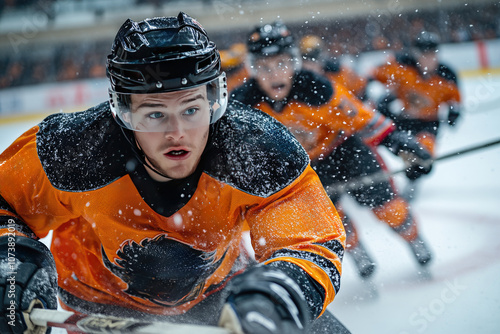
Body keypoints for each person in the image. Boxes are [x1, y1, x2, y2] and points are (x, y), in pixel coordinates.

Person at [0, 13, 349, 334]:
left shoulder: (256, 148)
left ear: (215, 101)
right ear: (122, 112)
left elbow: (309, 240)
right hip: (101, 303)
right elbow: (5, 202)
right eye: (154, 114)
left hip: (227, 292)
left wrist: (276, 293)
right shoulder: (72, 150)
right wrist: (12, 265)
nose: (177, 133)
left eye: (191, 108)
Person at [231, 21, 434, 279]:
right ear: (253, 69)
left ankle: (412, 237)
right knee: (332, 222)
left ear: (293, 63)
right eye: (264, 67)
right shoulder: (244, 103)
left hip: (346, 152)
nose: (274, 75)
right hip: (305, 168)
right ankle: (356, 249)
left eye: (281, 64)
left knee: (390, 209)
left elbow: (361, 118)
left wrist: (400, 143)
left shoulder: (316, 88)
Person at [372, 31, 462, 200]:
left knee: (423, 154)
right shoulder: (402, 68)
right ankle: (406, 171)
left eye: (433, 54)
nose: (429, 59)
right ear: (415, 54)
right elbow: (374, 75)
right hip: (404, 119)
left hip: (429, 123)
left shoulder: (447, 75)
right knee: (395, 145)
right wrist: (384, 99)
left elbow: (455, 100)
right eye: (424, 54)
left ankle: (413, 178)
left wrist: (454, 113)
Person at [299, 34, 368, 101]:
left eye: (313, 60)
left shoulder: (338, 73)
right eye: (306, 61)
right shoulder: (300, 81)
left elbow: (361, 85)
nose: (310, 66)